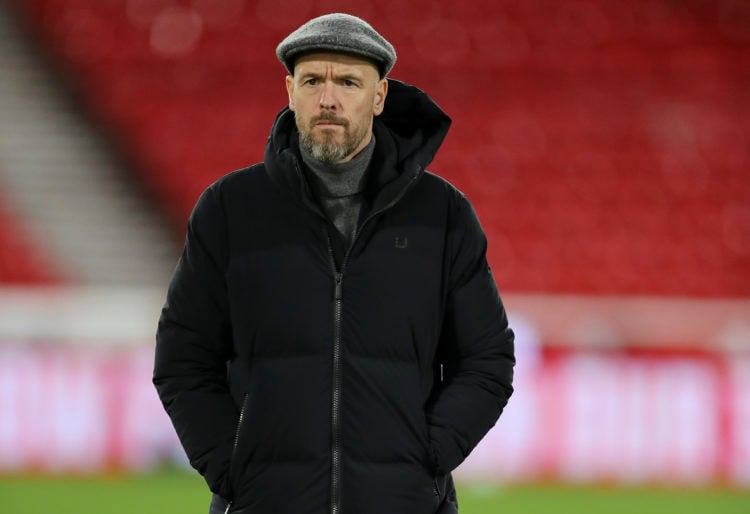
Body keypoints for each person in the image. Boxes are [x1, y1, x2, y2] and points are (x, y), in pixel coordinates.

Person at [153, 13, 515, 514]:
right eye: (312, 81)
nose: (328, 98)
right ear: (289, 90)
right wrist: (232, 468)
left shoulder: (444, 215)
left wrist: (426, 459)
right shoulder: (229, 210)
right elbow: (183, 359)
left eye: (348, 81)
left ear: (380, 96)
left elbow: (487, 359)